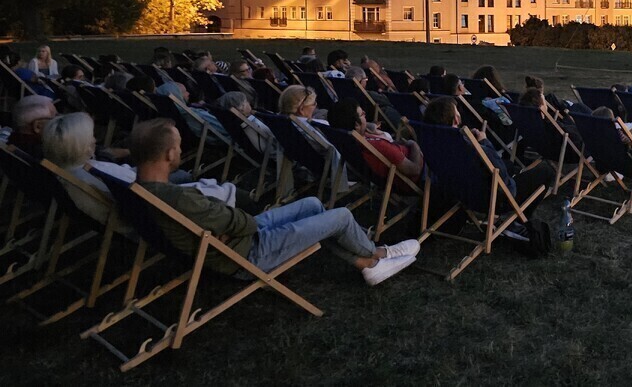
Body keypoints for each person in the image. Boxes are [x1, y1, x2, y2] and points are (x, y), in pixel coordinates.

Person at [130, 119, 417, 285]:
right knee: (340, 215)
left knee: (313, 205)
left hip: (240, 237)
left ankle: (364, 260)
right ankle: (377, 256)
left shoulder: (140, 190)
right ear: (169, 155)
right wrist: (232, 221)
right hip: (248, 253)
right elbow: (239, 219)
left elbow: (230, 221)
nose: (181, 149)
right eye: (178, 145)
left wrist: (229, 222)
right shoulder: (179, 197)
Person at [43, 113, 255, 231]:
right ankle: (254, 207)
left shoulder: (68, 173)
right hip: (155, 212)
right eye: (90, 135)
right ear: (80, 145)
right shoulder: (97, 172)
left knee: (183, 175)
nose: (94, 139)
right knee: (225, 190)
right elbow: (151, 190)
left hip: (144, 204)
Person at [423, 96, 553, 239]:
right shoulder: (468, 147)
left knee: (512, 167)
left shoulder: (434, 144)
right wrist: (484, 141)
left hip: (458, 195)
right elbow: (500, 172)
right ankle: (519, 220)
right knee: (545, 171)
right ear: (456, 120)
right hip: (492, 200)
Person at [327, 98, 422, 184]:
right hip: (421, 174)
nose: (365, 113)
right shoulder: (377, 145)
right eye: (362, 114)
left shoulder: (351, 143)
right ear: (356, 124)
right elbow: (415, 170)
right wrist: (414, 144)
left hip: (393, 172)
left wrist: (367, 127)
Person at [10, 95, 57, 160]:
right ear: (38, 126)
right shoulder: (48, 155)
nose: (58, 124)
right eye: (54, 119)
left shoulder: (12, 142)